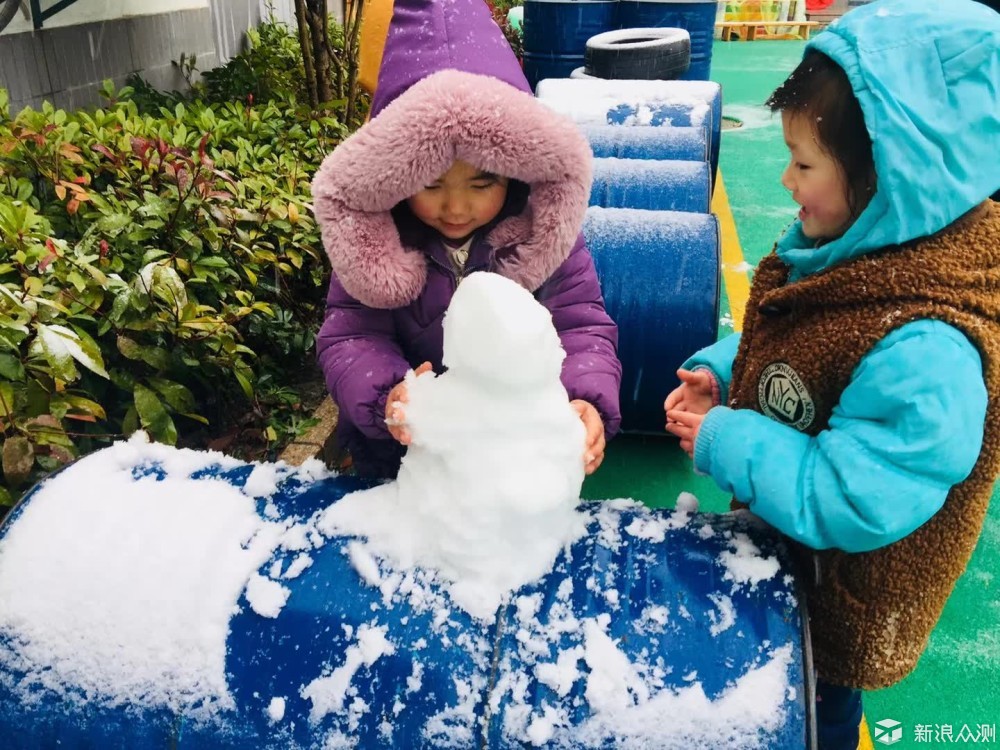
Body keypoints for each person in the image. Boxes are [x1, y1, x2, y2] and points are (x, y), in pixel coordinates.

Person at [663, 0, 1000, 747]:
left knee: (814, 718)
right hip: (789, 559)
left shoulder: (929, 350)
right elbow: (809, 347)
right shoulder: (862, 239)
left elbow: (855, 498)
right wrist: (727, 374)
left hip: (836, 604)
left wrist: (725, 439)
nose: (785, 179)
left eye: (805, 163)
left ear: (889, 176)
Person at [311, 0, 621, 480]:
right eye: (429, 185)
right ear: (392, 178)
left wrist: (584, 399)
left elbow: (581, 328)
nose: (455, 209)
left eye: (481, 185)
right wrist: (388, 394)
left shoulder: (545, 237)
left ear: (518, 173)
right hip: (402, 463)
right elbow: (351, 336)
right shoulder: (376, 243)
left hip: (513, 459)